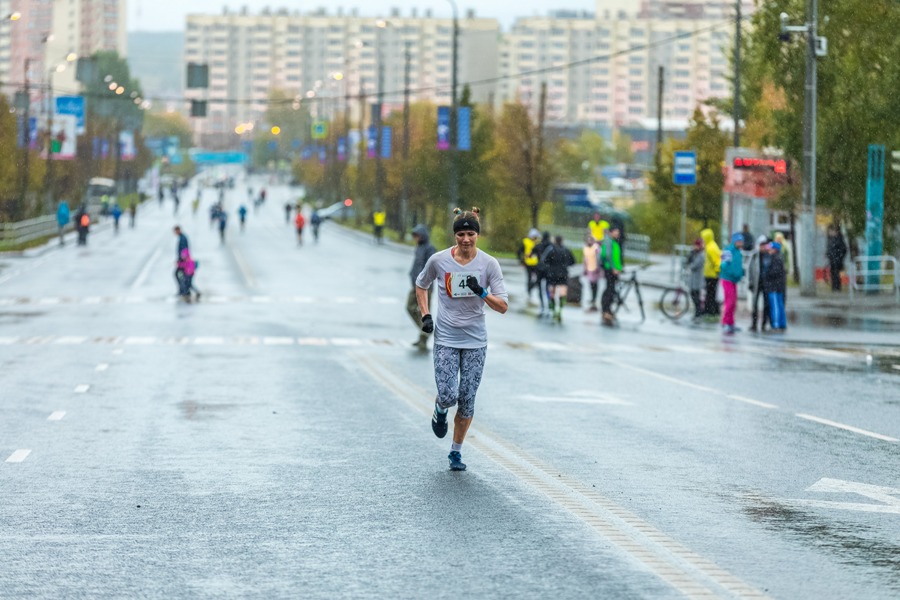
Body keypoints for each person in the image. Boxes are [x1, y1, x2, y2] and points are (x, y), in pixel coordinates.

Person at [416, 208, 508, 471]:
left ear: (477, 235)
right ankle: (441, 408)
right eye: (460, 234)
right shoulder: (439, 260)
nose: (466, 239)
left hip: (475, 341)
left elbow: (502, 306)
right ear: (454, 235)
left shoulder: (489, 264)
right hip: (446, 337)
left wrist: (482, 292)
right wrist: (425, 314)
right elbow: (421, 284)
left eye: (470, 234)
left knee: (467, 398)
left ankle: (455, 451)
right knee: (448, 394)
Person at [408, 224, 436, 350]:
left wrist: (424, 284)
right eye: (414, 235)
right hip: (415, 285)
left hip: (425, 287)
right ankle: (424, 331)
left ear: (423, 235)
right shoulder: (419, 248)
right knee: (409, 307)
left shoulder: (430, 249)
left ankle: (423, 338)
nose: (416, 238)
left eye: (417, 235)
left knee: (425, 312)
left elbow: (430, 269)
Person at [541, 235, 575, 323]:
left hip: (552, 274)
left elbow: (543, 260)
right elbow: (573, 261)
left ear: (555, 240)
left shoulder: (551, 249)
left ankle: (553, 310)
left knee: (552, 292)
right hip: (563, 274)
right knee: (562, 292)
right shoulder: (566, 250)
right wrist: (565, 265)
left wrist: (549, 266)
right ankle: (560, 309)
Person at [720, 233, 745, 334]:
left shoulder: (739, 252)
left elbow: (738, 265)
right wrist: (733, 273)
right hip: (727, 279)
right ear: (734, 241)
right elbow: (723, 265)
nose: (741, 243)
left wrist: (741, 273)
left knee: (733, 303)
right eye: (739, 241)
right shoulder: (728, 250)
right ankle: (725, 322)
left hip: (734, 280)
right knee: (729, 302)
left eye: (741, 241)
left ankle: (731, 323)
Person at [600, 224, 623, 327]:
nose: (617, 234)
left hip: (613, 269)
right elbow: (608, 255)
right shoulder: (609, 241)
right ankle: (606, 310)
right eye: (616, 232)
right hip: (610, 269)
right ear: (611, 232)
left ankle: (607, 310)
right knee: (610, 289)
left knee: (611, 289)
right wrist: (614, 268)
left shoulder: (613, 241)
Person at [748, 235, 771, 332]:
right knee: (755, 305)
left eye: (764, 245)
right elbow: (750, 269)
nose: (763, 247)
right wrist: (751, 282)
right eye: (761, 245)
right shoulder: (755, 255)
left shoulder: (769, 256)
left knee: (766, 304)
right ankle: (754, 324)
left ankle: (764, 324)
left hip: (766, 283)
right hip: (757, 282)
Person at [765, 242, 787, 331]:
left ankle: (776, 324)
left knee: (775, 306)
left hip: (774, 287)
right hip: (779, 287)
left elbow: (774, 272)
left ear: (775, 250)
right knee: (780, 305)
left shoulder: (775, 259)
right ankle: (782, 323)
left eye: (770, 249)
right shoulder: (779, 258)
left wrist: (766, 273)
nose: (768, 251)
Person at [700, 228, 721, 316]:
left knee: (711, 293)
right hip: (710, 274)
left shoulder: (711, 247)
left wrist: (716, 271)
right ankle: (711, 310)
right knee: (710, 293)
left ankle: (711, 310)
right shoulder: (710, 246)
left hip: (712, 275)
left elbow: (716, 261)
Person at [516, 229, 541, 304]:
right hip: (528, 263)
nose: (535, 238)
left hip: (536, 264)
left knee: (537, 278)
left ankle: (530, 288)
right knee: (529, 278)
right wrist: (521, 260)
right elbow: (519, 251)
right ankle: (529, 291)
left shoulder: (537, 243)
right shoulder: (525, 241)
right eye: (534, 236)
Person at [532, 231, 553, 317]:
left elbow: (532, 254)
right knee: (548, 288)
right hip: (549, 270)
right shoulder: (551, 247)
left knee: (540, 288)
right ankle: (548, 306)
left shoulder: (538, 246)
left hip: (539, 269)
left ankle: (542, 306)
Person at [686, 238, 705, 320]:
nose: (695, 247)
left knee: (695, 296)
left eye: (697, 245)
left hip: (698, 279)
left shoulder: (701, 255)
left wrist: (689, 267)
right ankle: (697, 312)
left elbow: (694, 265)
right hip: (694, 279)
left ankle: (698, 312)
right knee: (693, 295)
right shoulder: (695, 253)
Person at [582, 234, 602, 312]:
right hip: (589, 269)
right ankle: (592, 298)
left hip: (595, 269)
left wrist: (598, 267)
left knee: (595, 285)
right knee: (591, 285)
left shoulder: (596, 248)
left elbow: (599, 258)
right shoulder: (586, 248)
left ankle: (594, 299)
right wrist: (584, 269)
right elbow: (585, 259)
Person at [826, 225, 847, 292]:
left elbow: (843, 250)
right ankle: (834, 287)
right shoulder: (831, 239)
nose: (830, 233)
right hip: (833, 260)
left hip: (837, 260)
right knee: (833, 273)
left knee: (836, 274)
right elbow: (830, 250)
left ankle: (837, 287)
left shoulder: (838, 239)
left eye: (831, 231)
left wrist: (838, 257)